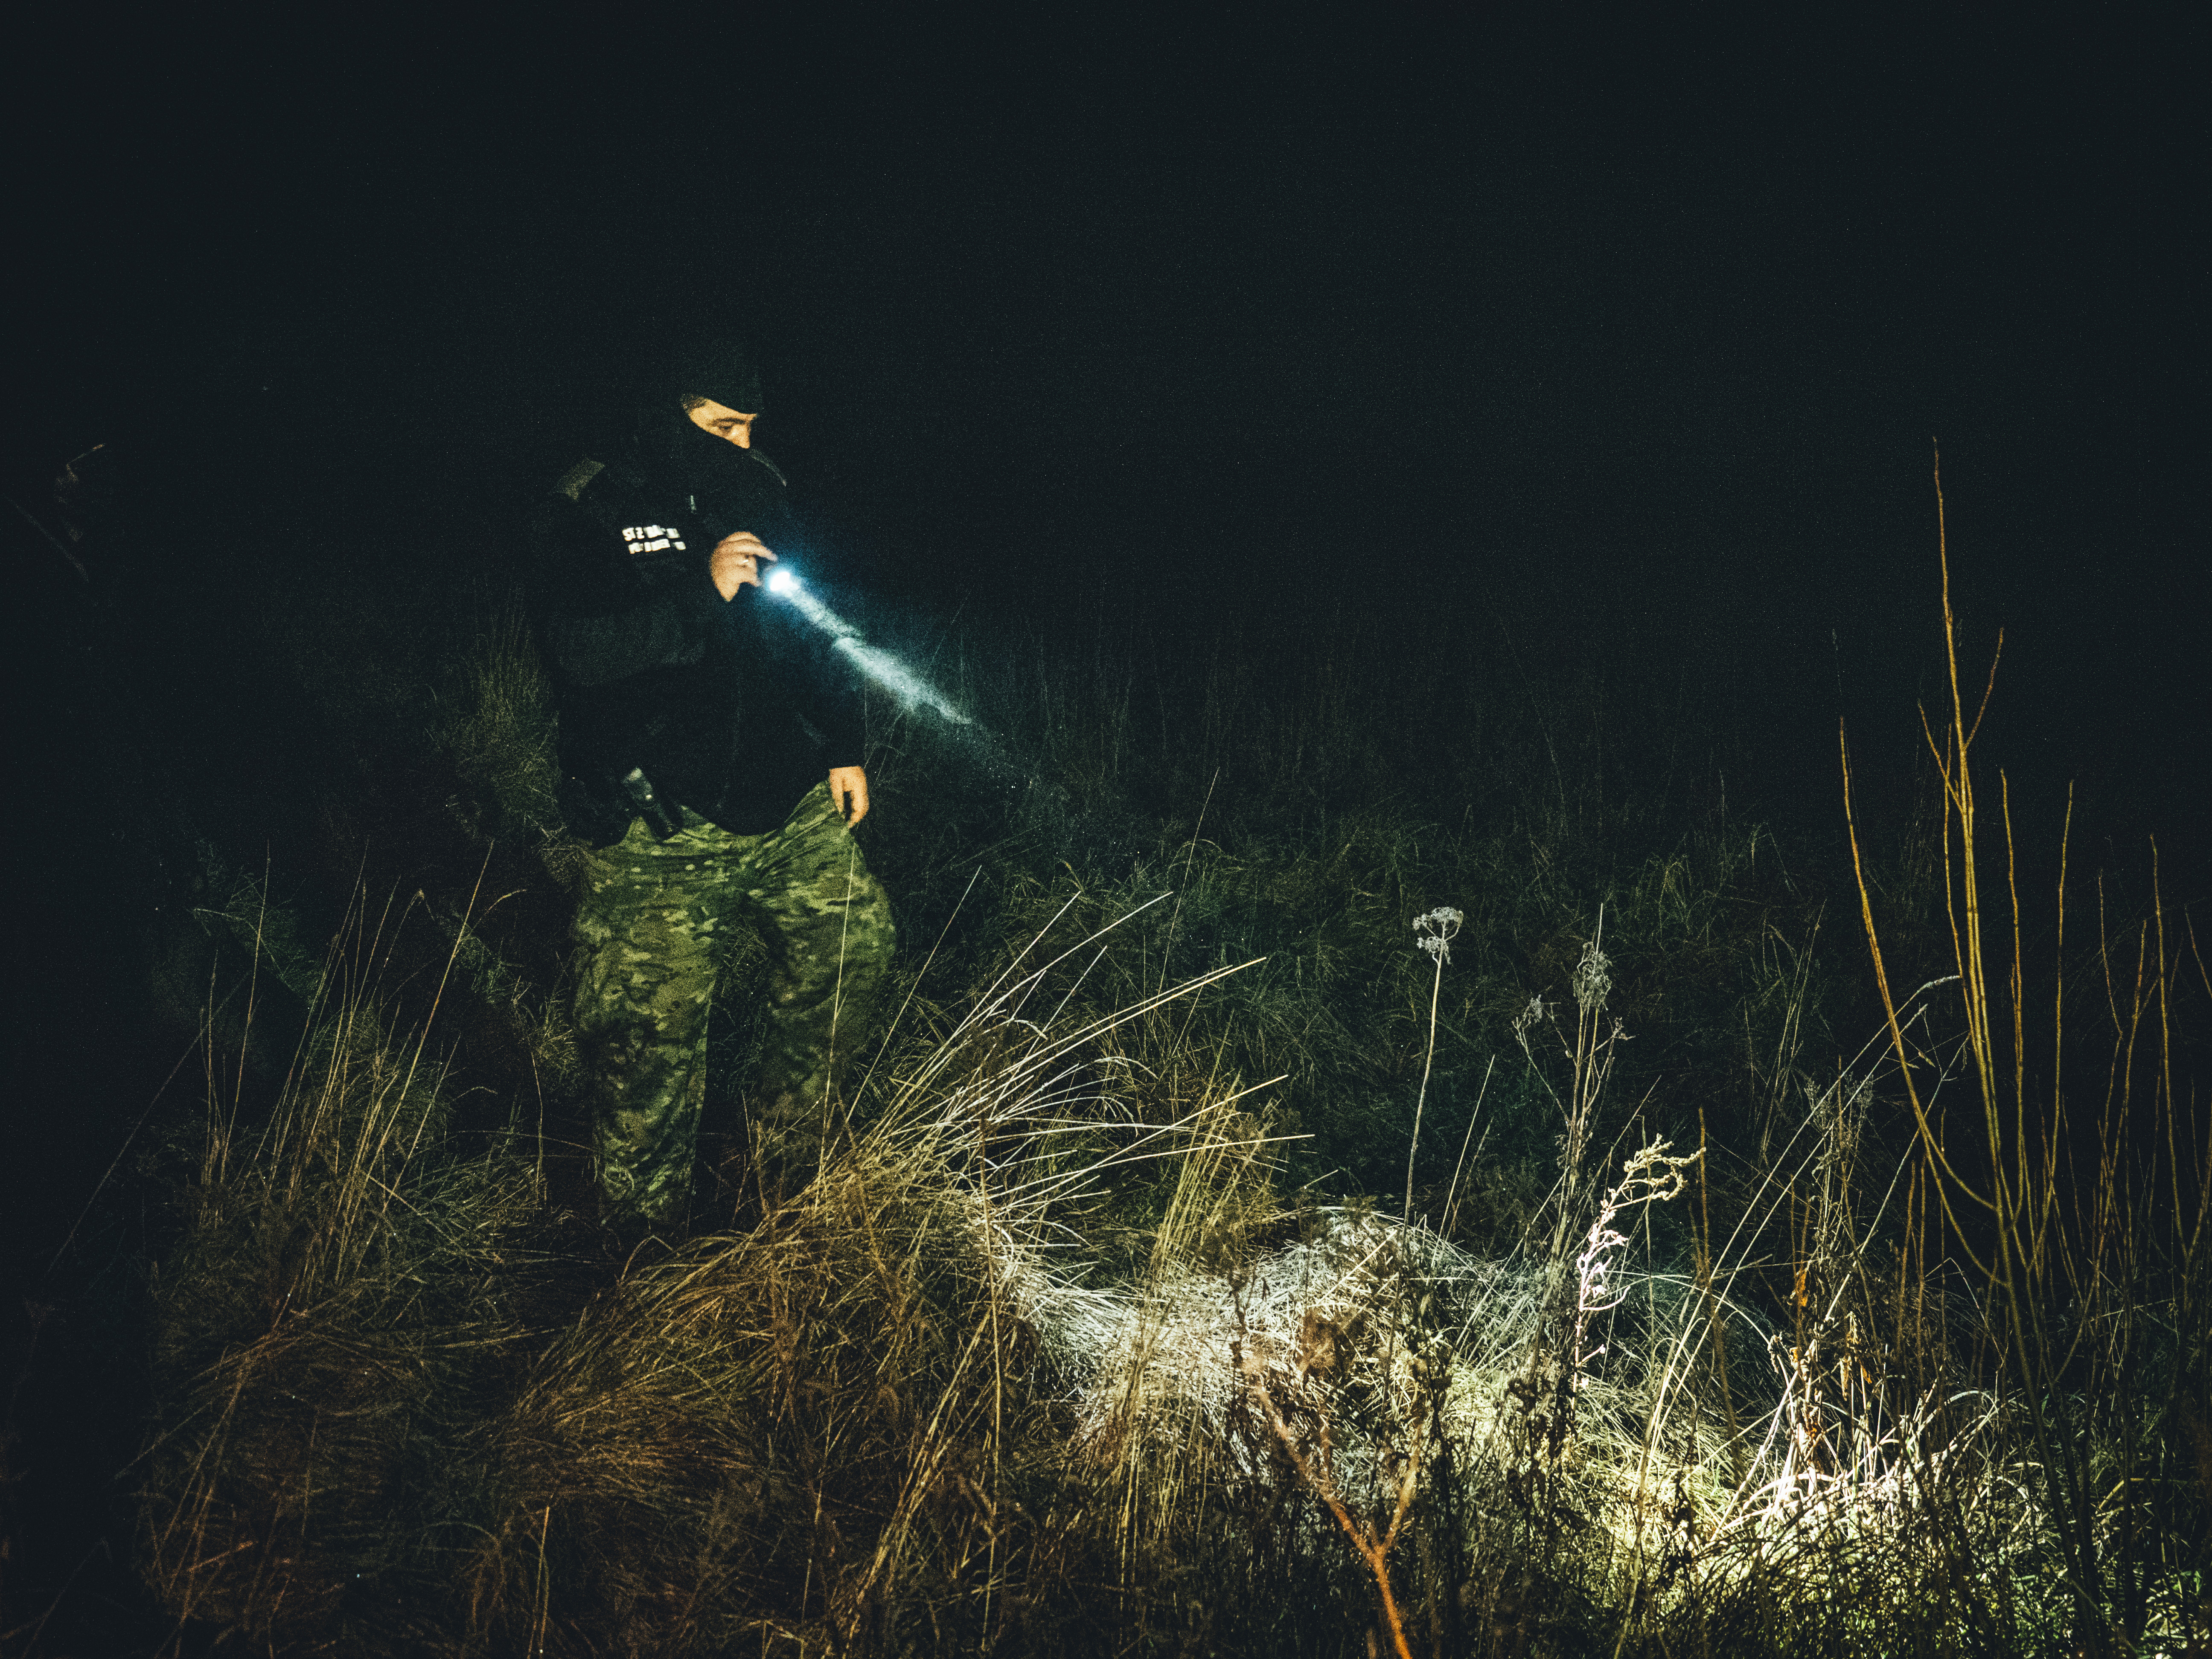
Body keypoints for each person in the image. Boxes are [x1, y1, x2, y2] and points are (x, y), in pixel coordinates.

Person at [527, 334, 896, 1232]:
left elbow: (816, 628)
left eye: (747, 427)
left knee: (855, 948)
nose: (736, 444)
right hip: (661, 829)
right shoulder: (592, 503)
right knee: (647, 1043)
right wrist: (701, 595)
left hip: (786, 797)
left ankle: (780, 1166)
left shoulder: (760, 491)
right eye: (718, 425)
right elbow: (580, 652)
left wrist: (844, 742)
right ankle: (642, 1242)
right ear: (668, 410)